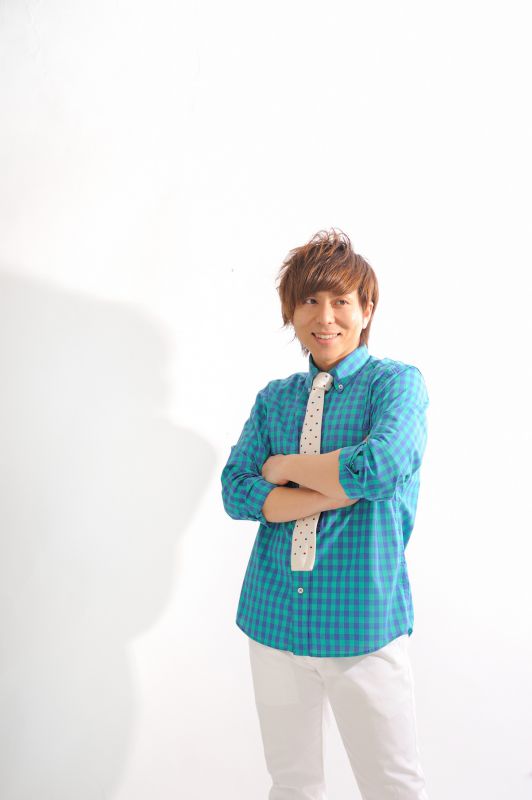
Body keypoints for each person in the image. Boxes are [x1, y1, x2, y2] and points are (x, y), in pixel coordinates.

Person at [220, 228, 430, 800]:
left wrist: (284, 465)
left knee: (392, 785)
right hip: (272, 618)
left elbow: (379, 467)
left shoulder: (396, 385)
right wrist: (334, 489)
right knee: (292, 784)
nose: (325, 316)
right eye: (309, 300)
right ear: (290, 312)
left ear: (367, 309)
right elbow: (235, 490)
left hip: (361, 622)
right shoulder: (275, 398)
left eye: (341, 300)